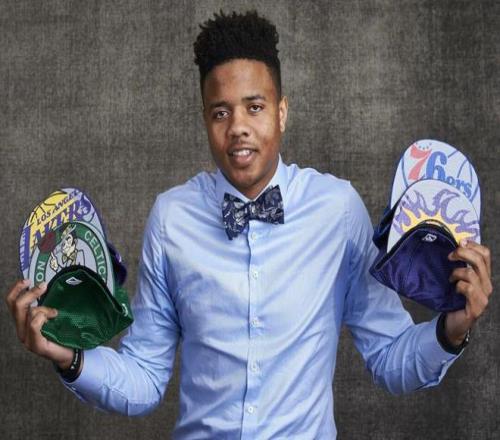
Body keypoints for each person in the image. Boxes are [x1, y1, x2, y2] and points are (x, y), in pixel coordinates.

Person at [6, 10, 493, 439]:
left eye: (255, 107)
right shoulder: (171, 219)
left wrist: (453, 328)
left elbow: (390, 358)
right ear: (205, 120)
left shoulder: (337, 211)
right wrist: (68, 356)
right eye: (221, 112)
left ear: (282, 112)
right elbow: (145, 379)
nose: (238, 126)